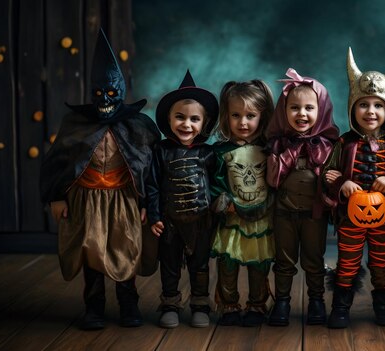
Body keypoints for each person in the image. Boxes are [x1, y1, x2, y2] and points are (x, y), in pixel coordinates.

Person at [39, 29, 160, 330]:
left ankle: (128, 303)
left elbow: (148, 167)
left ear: (120, 93)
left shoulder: (138, 126)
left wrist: (146, 201)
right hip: (86, 197)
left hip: (124, 198)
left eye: (111, 93)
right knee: (89, 250)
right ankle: (94, 306)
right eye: (99, 94)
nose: (104, 99)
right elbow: (57, 161)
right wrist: (56, 196)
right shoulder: (75, 123)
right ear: (92, 93)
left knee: (126, 250)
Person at [322, 48, 385, 329]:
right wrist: (341, 182)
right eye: (363, 105)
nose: (371, 111)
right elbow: (327, 175)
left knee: (382, 263)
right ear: (352, 107)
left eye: (378, 105)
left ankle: (383, 306)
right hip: (349, 218)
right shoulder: (343, 143)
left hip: (384, 218)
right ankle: (341, 306)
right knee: (347, 261)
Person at [265, 68, 340, 326]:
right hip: (284, 211)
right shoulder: (278, 144)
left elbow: (337, 180)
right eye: (294, 108)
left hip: (314, 214)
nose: (302, 114)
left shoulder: (328, 146)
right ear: (284, 111)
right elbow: (270, 179)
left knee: (314, 258)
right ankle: (282, 302)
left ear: (321, 111)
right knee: (283, 259)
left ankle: (316, 300)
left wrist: (333, 182)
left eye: (309, 108)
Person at [145, 70, 218, 328]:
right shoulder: (161, 151)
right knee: (170, 265)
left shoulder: (208, 153)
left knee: (200, 266)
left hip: (201, 222)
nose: (186, 124)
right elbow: (152, 185)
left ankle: (200, 304)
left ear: (204, 122)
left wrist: (221, 206)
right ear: (169, 119)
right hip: (169, 221)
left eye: (194, 119)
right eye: (180, 117)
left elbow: (218, 184)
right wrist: (154, 216)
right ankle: (170, 304)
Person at [210, 80, 275, 327]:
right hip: (232, 216)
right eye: (236, 115)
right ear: (226, 116)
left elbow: (275, 181)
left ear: (263, 115)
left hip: (261, 216)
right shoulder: (220, 151)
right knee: (228, 262)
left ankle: (257, 305)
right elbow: (215, 180)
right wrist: (221, 199)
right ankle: (229, 305)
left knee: (259, 264)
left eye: (250, 115)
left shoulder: (268, 149)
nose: (243, 122)